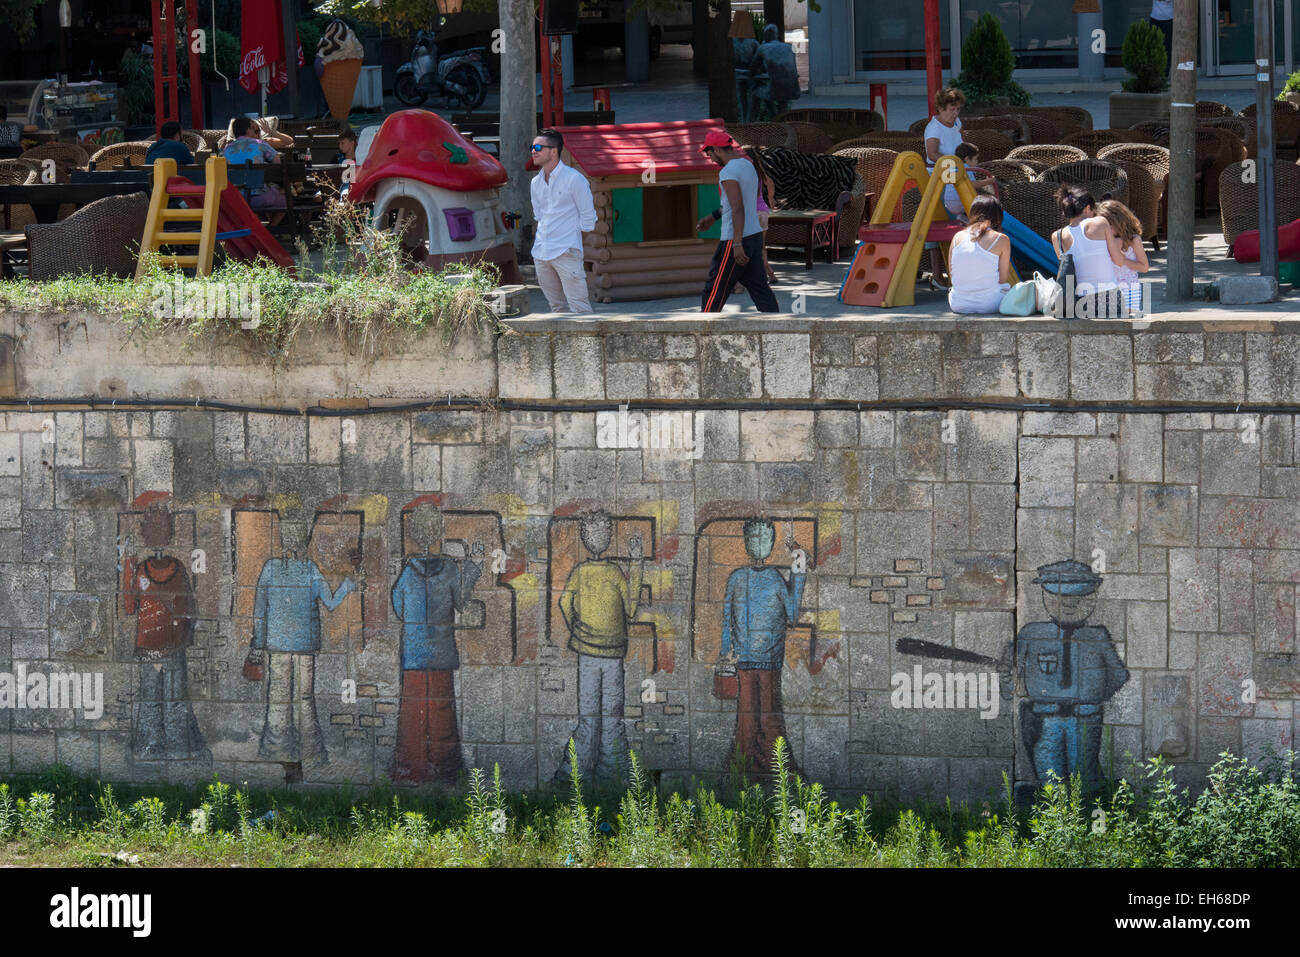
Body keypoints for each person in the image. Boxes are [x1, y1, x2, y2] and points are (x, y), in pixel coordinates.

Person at [244, 512, 362, 764]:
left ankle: (275, 750)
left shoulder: (270, 568)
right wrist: (348, 584)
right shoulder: (310, 570)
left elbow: (260, 611)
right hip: (305, 645)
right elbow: (330, 602)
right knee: (305, 700)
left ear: (284, 539)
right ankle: (311, 752)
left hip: (276, 644)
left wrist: (258, 643)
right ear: (304, 540)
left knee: (278, 698)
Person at [390, 504, 484, 784]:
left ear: (416, 533)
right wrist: (473, 568)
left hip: (414, 654)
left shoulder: (408, 573)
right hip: (442, 651)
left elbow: (398, 607)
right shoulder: (450, 570)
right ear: (438, 532)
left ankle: (412, 767)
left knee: (412, 713)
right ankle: (445, 768)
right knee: (442, 711)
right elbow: (462, 601)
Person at [1015, 560, 1128, 790]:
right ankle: (1056, 823)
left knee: (1084, 776)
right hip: (1046, 720)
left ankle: (1085, 819)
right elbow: (1013, 671)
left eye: (1077, 596)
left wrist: (1092, 696)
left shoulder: (1097, 637)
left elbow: (1119, 674)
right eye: (1060, 596)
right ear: (1047, 596)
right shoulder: (1031, 634)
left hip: (1084, 718)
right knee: (1049, 777)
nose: (1069, 603)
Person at [552, 511, 644, 785]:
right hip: (608, 654)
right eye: (595, 533)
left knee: (594, 715)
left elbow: (565, 604)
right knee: (607, 715)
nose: (598, 538)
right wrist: (637, 563)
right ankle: (607, 772)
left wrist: (578, 628)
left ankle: (578, 773)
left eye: (601, 533)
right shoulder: (610, 572)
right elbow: (631, 607)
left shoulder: (584, 572)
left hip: (594, 654)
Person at [122, 501, 210, 762]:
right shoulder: (180, 568)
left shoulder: (139, 571)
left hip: (148, 647)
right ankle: (179, 748)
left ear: (145, 534)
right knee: (175, 701)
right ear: (169, 533)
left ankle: (149, 749)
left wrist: (128, 562)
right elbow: (189, 607)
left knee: (149, 701)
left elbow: (129, 607)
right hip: (174, 646)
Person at [720, 519, 807, 779]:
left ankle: (775, 766)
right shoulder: (736, 579)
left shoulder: (775, 579)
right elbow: (727, 617)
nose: (758, 543)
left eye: (764, 538)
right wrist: (726, 652)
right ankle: (744, 765)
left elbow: (792, 613)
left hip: (770, 660)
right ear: (746, 543)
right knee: (746, 718)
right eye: (753, 538)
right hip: (744, 660)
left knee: (769, 715)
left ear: (770, 544)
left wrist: (798, 572)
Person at [695, 131, 779, 312]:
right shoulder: (748, 165)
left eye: (709, 154)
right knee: (759, 287)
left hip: (736, 239)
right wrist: (712, 217)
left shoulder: (728, 172)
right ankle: (775, 325)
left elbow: (738, 208)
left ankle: (702, 331)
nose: (710, 159)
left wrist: (737, 243)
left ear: (717, 149)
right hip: (754, 235)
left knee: (715, 288)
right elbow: (737, 204)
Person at [530, 127, 597, 314]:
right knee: (557, 309)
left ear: (554, 151)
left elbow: (588, 219)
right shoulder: (535, 183)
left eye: (538, 147)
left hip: (566, 252)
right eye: (532, 146)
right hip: (541, 253)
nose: (533, 151)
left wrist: (569, 239)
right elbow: (539, 216)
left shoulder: (574, 179)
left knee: (580, 308)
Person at [1049, 185, 1131, 319]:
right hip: (1110, 299)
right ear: (1087, 208)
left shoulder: (1057, 236)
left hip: (1079, 303)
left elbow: (1067, 270)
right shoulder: (1100, 222)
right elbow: (1119, 261)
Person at [924, 88, 967, 289]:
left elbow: (961, 144)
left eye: (957, 109)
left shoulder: (957, 123)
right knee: (939, 224)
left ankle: (954, 273)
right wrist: (951, 162)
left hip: (956, 176)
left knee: (955, 223)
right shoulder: (933, 128)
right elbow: (932, 153)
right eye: (951, 109)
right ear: (941, 109)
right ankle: (936, 274)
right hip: (938, 178)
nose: (955, 113)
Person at [947, 194, 1012, 315]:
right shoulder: (1002, 239)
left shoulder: (957, 237)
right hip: (991, 304)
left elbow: (952, 276)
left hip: (957, 303)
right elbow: (1003, 279)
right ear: (998, 216)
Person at [222, 116, 287, 221]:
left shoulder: (226, 149)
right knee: (285, 199)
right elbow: (279, 163)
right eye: (254, 129)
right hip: (258, 198)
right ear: (248, 130)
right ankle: (270, 230)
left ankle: (256, 228)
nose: (256, 132)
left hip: (235, 199)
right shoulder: (260, 144)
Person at [1097, 199, 1151, 315]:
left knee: (1128, 321)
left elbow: (1144, 267)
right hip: (1108, 287)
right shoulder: (1103, 240)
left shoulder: (1133, 240)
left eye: (1108, 226)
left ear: (1118, 222)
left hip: (1130, 288)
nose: (1105, 230)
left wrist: (1123, 260)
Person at [751, 24, 800, 121]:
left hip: (775, 89)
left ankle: (750, 123)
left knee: (756, 92)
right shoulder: (789, 47)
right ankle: (778, 120)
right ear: (776, 35)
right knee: (780, 97)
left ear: (765, 35)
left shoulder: (763, 47)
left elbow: (753, 68)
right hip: (793, 89)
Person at [945, 142, 996, 219]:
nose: (977, 161)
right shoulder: (966, 168)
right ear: (967, 159)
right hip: (960, 201)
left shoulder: (953, 167)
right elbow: (971, 184)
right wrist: (988, 182)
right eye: (975, 159)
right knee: (983, 204)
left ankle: (963, 218)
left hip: (949, 202)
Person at [1149, 1, 1173, 72]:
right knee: (1153, 46)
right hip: (1155, 17)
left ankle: (1165, 73)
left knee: (1167, 46)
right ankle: (1154, 72)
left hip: (1169, 19)